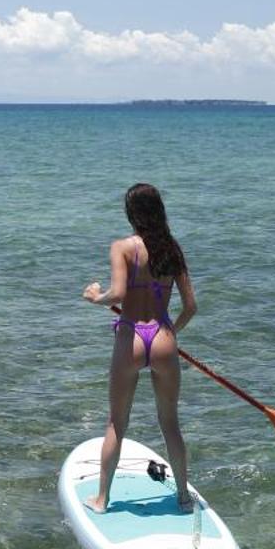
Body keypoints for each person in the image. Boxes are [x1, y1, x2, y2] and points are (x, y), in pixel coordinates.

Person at [82, 182, 198, 513]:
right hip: (163, 337)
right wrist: (169, 335)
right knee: (170, 422)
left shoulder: (122, 247)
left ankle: (102, 500)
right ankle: (184, 498)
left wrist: (95, 297)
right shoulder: (173, 250)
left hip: (131, 335)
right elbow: (191, 307)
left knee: (117, 422)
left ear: (130, 214)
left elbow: (118, 295)